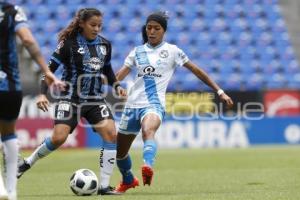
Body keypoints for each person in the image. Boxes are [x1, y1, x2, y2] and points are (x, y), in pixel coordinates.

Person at [113, 11, 234, 194]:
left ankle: (148, 165)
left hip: (154, 104)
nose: (152, 31)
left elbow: (197, 71)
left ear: (164, 31)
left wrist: (220, 91)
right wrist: (116, 87)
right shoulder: (137, 52)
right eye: (149, 28)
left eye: (156, 28)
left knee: (148, 131)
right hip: (132, 106)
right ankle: (128, 180)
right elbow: (118, 76)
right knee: (120, 154)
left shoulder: (172, 51)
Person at [17, 8, 126, 195]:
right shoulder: (68, 44)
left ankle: (104, 186)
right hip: (70, 99)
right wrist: (42, 94)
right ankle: (26, 163)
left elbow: (107, 70)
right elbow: (48, 71)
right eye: (93, 25)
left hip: (94, 99)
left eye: (100, 25)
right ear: (82, 24)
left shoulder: (105, 45)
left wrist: (116, 86)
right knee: (59, 138)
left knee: (111, 135)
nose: (97, 29)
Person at [0, 1, 64, 200]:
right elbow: (27, 39)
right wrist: (46, 70)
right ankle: (12, 191)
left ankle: (0, 187)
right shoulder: (11, 11)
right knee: (9, 133)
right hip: (9, 84)